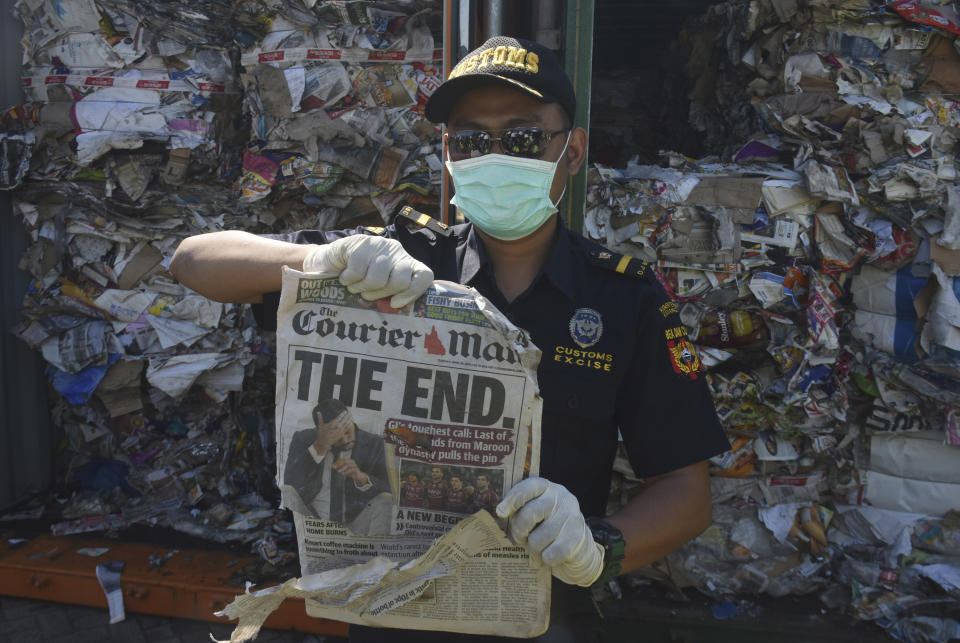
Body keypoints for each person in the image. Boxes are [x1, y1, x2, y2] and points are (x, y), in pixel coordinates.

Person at [171, 35, 729, 642]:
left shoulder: (626, 298)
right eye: (469, 141)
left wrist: (599, 548)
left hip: (538, 616)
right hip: (392, 614)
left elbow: (685, 491)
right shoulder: (396, 260)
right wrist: (324, 260)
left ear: (572, 151)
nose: (494, 156)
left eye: (520, 138)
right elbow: (195, 261)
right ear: (448, 154)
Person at [282, 399, 392, 535]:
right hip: (313, 521)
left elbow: (388, 490)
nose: (345, 440)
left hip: (356, 523)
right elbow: (290, 483)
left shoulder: (374, 443)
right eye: (337, 436)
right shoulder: (304, 439)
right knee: (287, 491)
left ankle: (375, 553)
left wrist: (362, 478)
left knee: (386, 500)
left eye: (347, 432)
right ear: (319, 431)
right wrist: (320, 446)